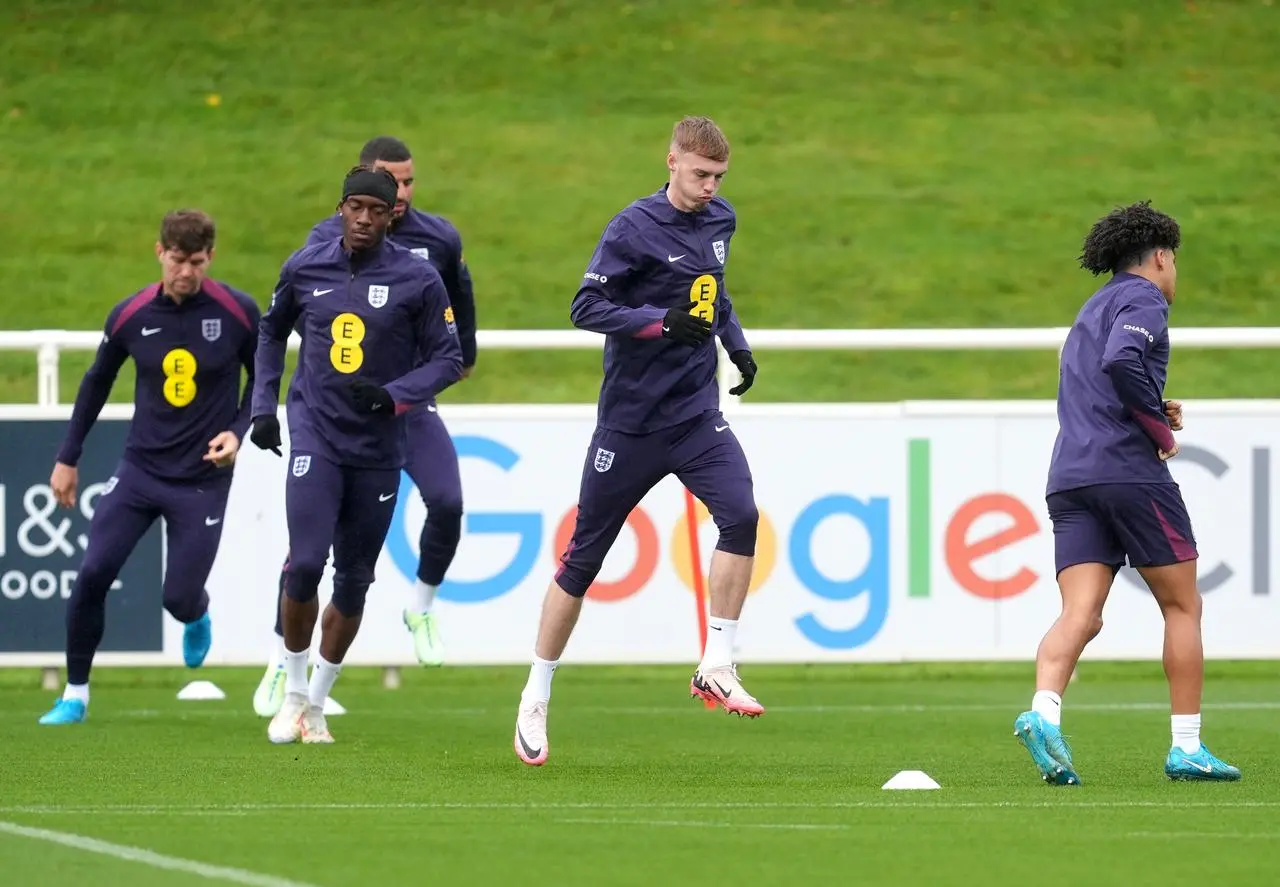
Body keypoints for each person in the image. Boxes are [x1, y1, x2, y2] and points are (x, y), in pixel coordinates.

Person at [512, 116, 761, 766]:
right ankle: (535, 693)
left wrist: (736, 346)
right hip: (629, 423)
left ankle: (718, 658)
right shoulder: (632, 228)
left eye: (719, 177)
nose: (710, 187)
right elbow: (585, 307)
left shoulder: (720, 221)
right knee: (584, 558)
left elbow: (716, 293)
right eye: (701, 174)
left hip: (694, 415)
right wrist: (657, 322)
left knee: (740, 514)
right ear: (672, 161)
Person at [1014, 200, 1241, 784]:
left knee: (1081, 614)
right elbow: (1123, 359)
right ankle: (1187, 747)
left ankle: (1044, 711)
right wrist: (1159, 429)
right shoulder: (1145, 299)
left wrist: (1148, 403)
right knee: (1182, 604)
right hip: (1128, 474)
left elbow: (1103, 375)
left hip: (1071, 477)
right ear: (1162, 257)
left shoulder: (1092, 309)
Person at [252, 136, 476, 716]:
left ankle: (419, 607)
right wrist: (262, 406)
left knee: (440, 507)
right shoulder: (311, 257)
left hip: (396, 411)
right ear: (345, 203)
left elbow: (456, 329)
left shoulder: (431, 252)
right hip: (320, 419)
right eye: (370, 198)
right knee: (305, 559)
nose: (386, 204)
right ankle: (287, 666)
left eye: (400, 190)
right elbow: (274, 328)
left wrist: (401, 393)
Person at [38, 209, 260, 725]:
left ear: (211, 258)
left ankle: (196, 613)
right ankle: (75, 694)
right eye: (178, 261)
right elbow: (96, 382)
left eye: (197, 262)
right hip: (140, 470)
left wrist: (238, 430)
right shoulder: (130, 314)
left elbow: (264, 378)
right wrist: (68, 456)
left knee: (178, 599)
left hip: (203, 480)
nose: (186, 272)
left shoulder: (237, 312)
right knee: (93, 572)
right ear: (159, 252)